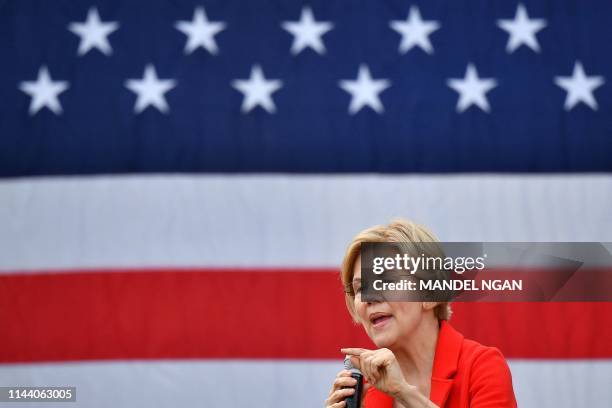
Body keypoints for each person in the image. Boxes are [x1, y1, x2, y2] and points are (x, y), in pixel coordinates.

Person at [325, 219, 517, 408]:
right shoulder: (365, 393)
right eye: (360, 288)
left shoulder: (483, 368)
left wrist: (404, 393)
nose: (369, 298)